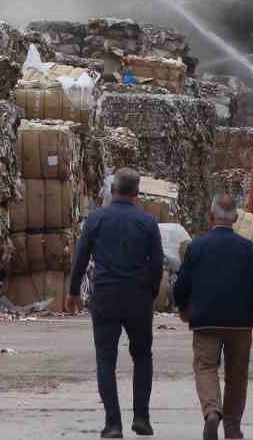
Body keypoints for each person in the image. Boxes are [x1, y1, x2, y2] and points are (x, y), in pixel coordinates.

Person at [65, 167, 163, 438]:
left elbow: (81, 258)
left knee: (105, 359)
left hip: (105, 297)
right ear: (137, 193)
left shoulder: (96, 219)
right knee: (142, 356)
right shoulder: (147, 222)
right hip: (138, 298)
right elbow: (157, 266)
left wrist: (73, 292)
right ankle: (141, 417)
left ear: (112, 190)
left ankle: (113, 424)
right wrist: (150, 293)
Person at [173, 194, 253, 440]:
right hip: (240, 323)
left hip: (205, 321)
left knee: (206, 368)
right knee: (237, 376)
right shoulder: (248, 248)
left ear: (211, 217)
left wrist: (183, 308)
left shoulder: (196, 247)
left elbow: (181, 284)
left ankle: (211, 412)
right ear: (236, 219)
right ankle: (232, 428)